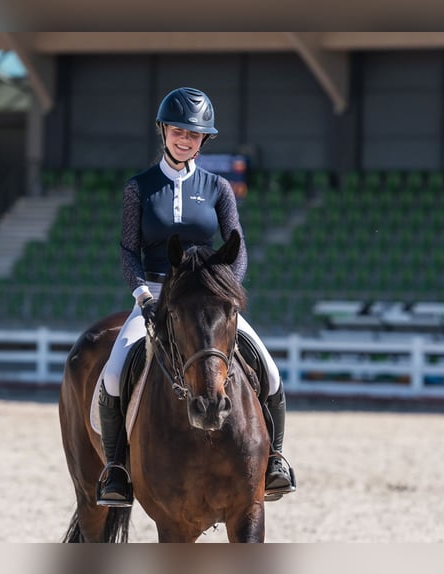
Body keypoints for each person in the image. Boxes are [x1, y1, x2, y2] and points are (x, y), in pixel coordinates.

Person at [96, 86, 295, 506]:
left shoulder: (219, 188)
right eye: (177, 130)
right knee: (113, 373)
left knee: (271, 372)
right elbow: (128, 247)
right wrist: (141, 295)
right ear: (163, 131)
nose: (184, 138)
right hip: (154, 291)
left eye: (193, 133)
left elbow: (236, 246)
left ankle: (275, 460)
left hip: (208, 300)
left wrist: (227, 294)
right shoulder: (140, 187)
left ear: (204, 140)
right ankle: (115, 469)